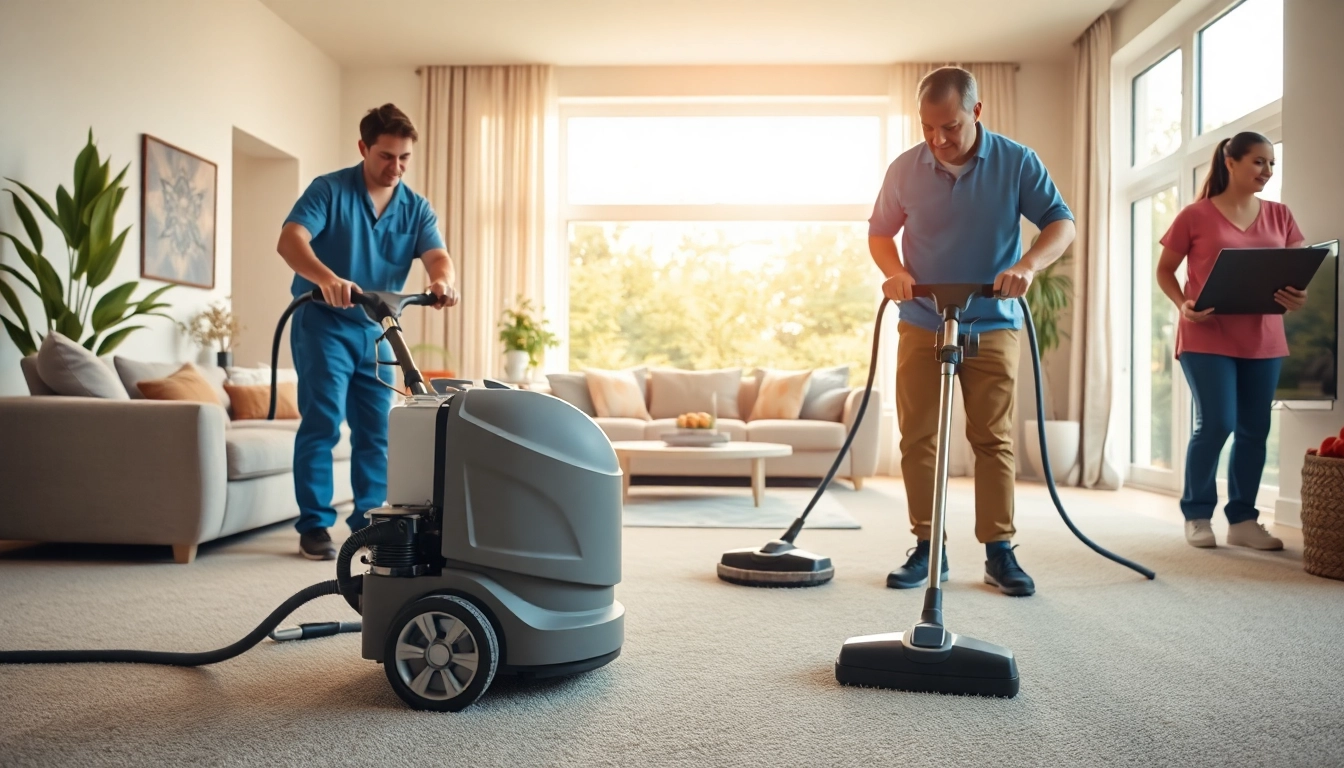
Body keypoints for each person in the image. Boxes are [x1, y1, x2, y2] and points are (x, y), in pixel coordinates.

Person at [868, 67, 1076, 597]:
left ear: (977, 113)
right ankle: (926, 545)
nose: (939, 140)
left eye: (951, 127)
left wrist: (1027, 265)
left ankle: (999, 551)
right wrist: (895, 271)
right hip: (921, 320)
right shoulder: (903, 170)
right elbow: (879, 233)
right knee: (917, 438)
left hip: (992, 319)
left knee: (992, 438)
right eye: (928, 127)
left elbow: (1060, 222)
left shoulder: (1016, 161)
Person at [277, 103, 459, 560]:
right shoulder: (329, 190)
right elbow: (291, 239)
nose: (395, 167)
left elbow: (436, 256)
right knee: (322, 423)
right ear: (363, 148)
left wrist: (442, 281)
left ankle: (368, 523)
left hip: (377, 330)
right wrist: (325, 277)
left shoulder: (414, 207)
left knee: (377, 430)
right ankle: (315, 526)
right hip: (324, 324)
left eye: (404, 158)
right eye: (385, 156)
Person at [1155, 131, 1305, 551]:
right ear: (1231, 162)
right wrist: (1183, 302)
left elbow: (1299, 272)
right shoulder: (1195, 215)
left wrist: (1299, 295)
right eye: (1259, 161)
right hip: (1207, 335)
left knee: (1255, 428)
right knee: (1217, 423)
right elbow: (1165, 270)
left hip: (1264, 338)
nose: (1267, 171)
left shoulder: (1281, 215)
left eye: (1272, 164)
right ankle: (1198, 513)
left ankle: (1243, 519)